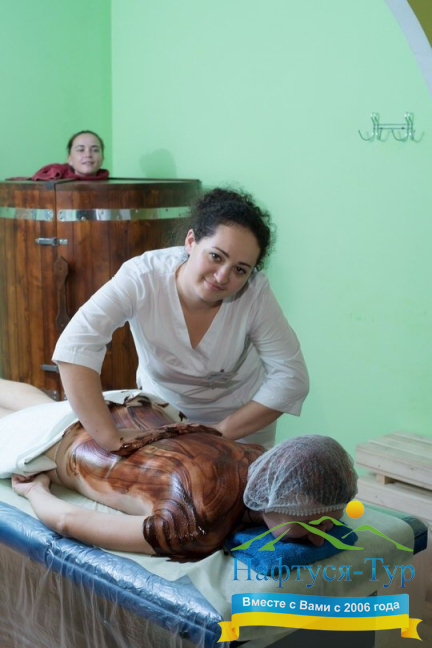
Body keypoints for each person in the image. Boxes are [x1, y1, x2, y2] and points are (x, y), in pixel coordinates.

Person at [52, 188, 309, 453]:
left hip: (240, 427)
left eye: (240, 270)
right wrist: (109, 438)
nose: (222, 276)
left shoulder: (255, 294)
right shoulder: (142, 277)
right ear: (191, 241)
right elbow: (76, 345)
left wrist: (219, 432)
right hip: (160, 420)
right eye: (216, 256)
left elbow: (291, 378)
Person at [1, 380, 357, 559]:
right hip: (68, 445)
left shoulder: (261, 457)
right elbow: (68, 521)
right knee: (27, 422)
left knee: (41, 409)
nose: (320, 537)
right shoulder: (197, 519)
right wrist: (35, 491)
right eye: (315, 524)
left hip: (136, 407)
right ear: (281, 496)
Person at [7, 130, 109, 181]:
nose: (88, 155)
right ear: (69, 159)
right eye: (81, 150)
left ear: (103, 158)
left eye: (95, 150)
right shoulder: (55, 182)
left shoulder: (113, 188)